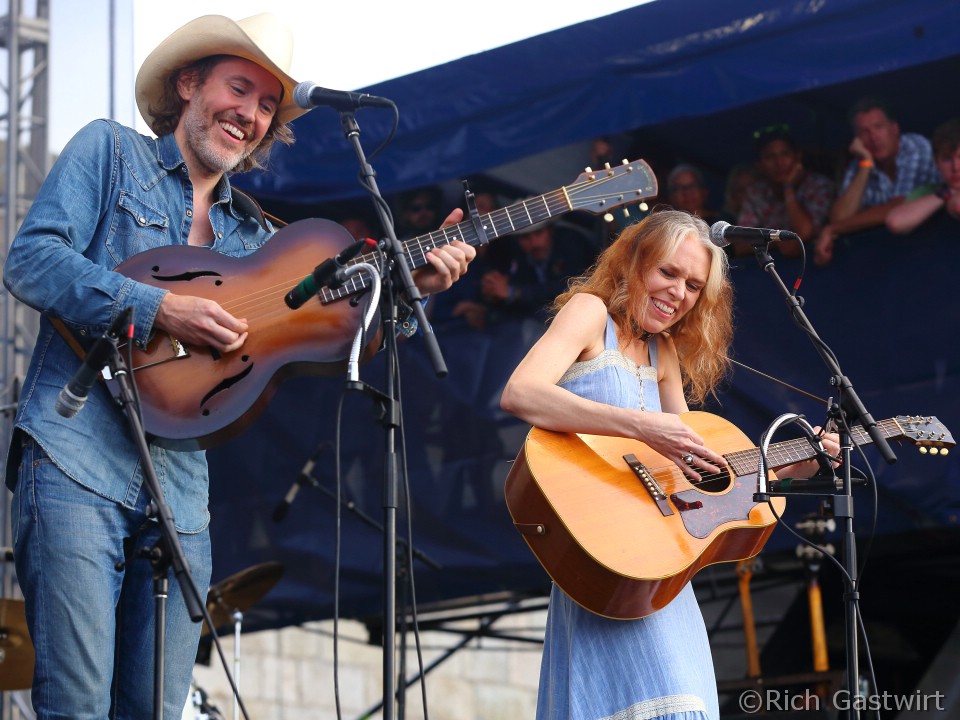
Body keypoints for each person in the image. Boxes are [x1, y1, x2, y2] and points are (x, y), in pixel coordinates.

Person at [2, 13, 474, 718]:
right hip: (74, 462)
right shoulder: (110, 153)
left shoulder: (258, 235)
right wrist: (157, 307)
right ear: (189, 83)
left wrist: (415, 296)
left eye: (266, 105)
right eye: (240, 88)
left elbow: (342, 337)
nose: (250, 114)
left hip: (180, 496)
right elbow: (30, 260)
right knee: (74, 708)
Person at [499, 209, 838, 720]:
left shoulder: (664, 354)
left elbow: (698, 477)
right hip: (602, 547)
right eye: (668, 272)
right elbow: (521, 393)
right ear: (634, 262)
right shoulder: (590, 313)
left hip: (656, 572)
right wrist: (641, 425)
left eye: (695, 286)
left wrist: (787, 467)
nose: (678, 292)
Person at [814, 97, 939, 264]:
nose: (873, 137)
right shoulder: (859, 165)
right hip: (893, 258)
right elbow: (839, 217)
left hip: (936, 245)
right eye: (864, 132)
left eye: (878, 127)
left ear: (894, 129)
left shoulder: (915, 147)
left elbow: (899, 205)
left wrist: (831, 230)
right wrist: (866, 165)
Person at [736, 124, 835, 259]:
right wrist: (776, 241)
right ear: (759, 165)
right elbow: (740, 244)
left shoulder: (819, 185)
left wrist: (788, 188)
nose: (779, 162)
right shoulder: (756, 193)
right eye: (770, 157)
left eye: (785, 154)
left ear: (798, 157)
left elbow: (804, 232)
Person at [886, 117, 960, 234]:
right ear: (936, 162)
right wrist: (947, 193)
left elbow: (957, 206)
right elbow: (895, 222)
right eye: (947, 159)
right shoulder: (928, 192)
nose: (956, 167)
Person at [665, 163, 733, 226]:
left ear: (704, 191)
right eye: (679, 188)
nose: (687, 193)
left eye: (692, 186)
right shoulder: (667, 226)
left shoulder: (722, 223)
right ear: (671, 196)